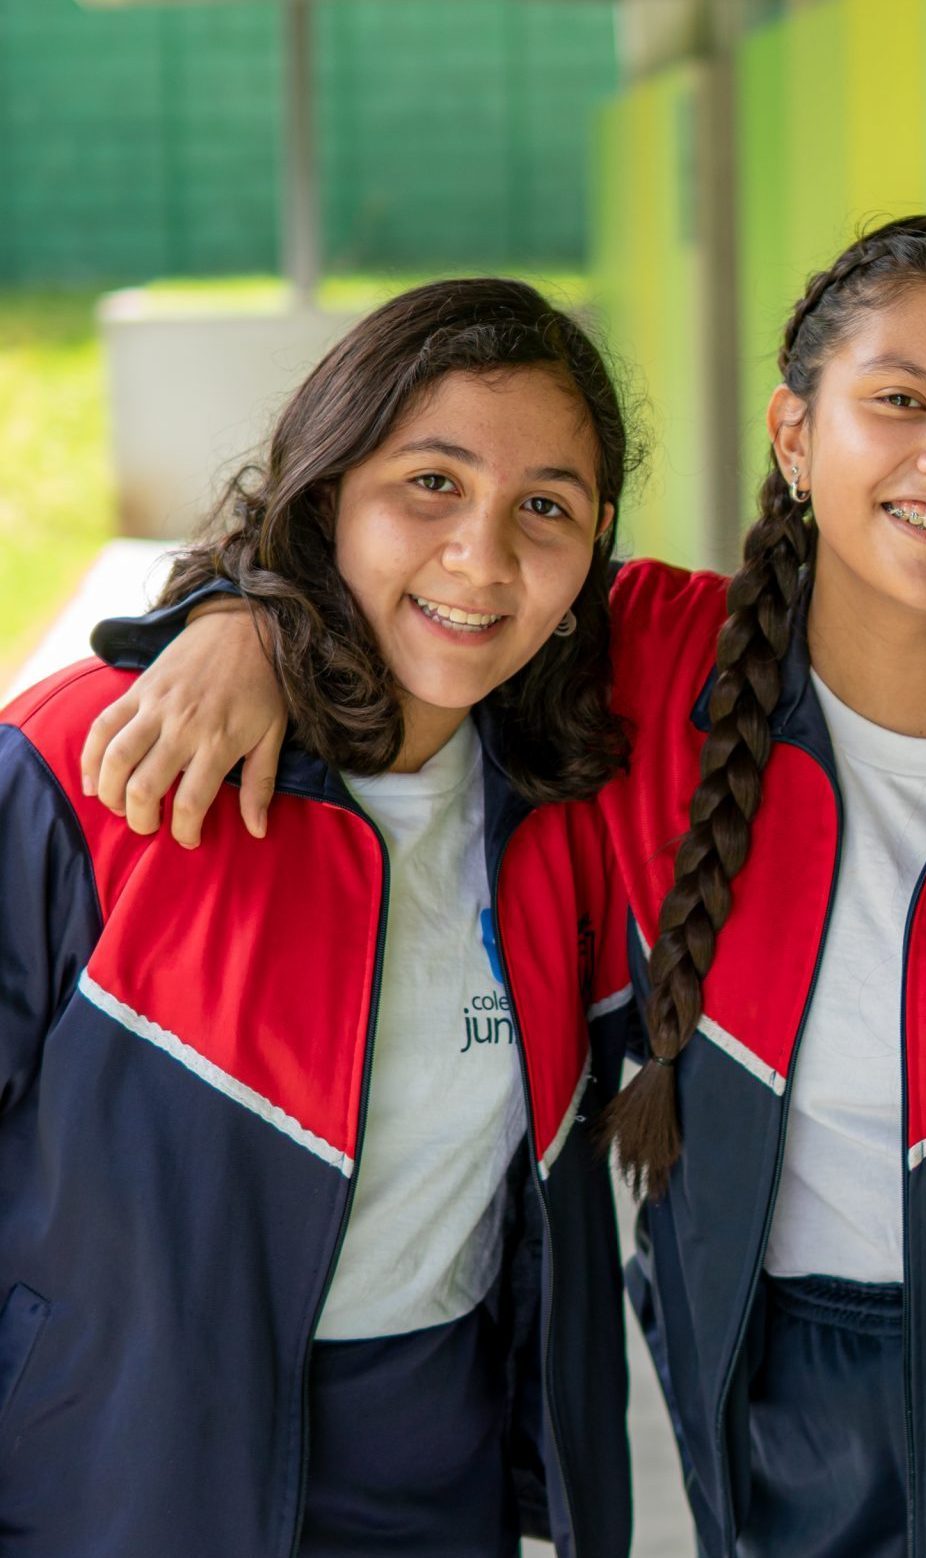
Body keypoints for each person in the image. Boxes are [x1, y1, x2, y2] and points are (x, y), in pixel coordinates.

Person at [73, 217, 926, 1558]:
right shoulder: (647, 670)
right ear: (794, 436)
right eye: (899, 402)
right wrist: (239, 618)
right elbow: (429, 574)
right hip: (774, 1434)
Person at [0, 279, 638, 1558]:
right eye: (431, 484)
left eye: (545, 509)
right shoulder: (101, 762)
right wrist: (235, 608)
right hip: (113, 1489)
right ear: (327, 491)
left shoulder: (579, 815)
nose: (482, 556)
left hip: (432, 1488)